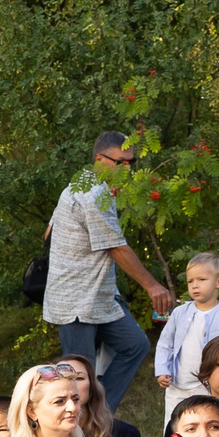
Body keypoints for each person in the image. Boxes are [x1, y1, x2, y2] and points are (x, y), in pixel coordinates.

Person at [43, 130, 173, 411]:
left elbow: (49, 230)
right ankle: (78, 428)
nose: (127, 169)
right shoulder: (90, 194)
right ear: (100, 159)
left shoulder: (85, 184)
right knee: (79, 374)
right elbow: (116, 247)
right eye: (120, 162)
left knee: (135, 345)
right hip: (74, 301)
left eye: (131, 163)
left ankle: (100, 411)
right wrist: (153, 286)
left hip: (100, 297)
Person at [155, 251, 219, 423]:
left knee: (203, 422)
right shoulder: (179, 313)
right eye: (190, 281)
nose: (194, 285)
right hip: (177, 384)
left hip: (207, 387)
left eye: (201, 280)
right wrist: (162, 370)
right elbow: (165, 343)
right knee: (173, 425)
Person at [54, 351, 141, 437]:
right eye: (62, 378)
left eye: (79, 378)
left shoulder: (125, 434)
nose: (71, 385)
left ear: (92, 386)